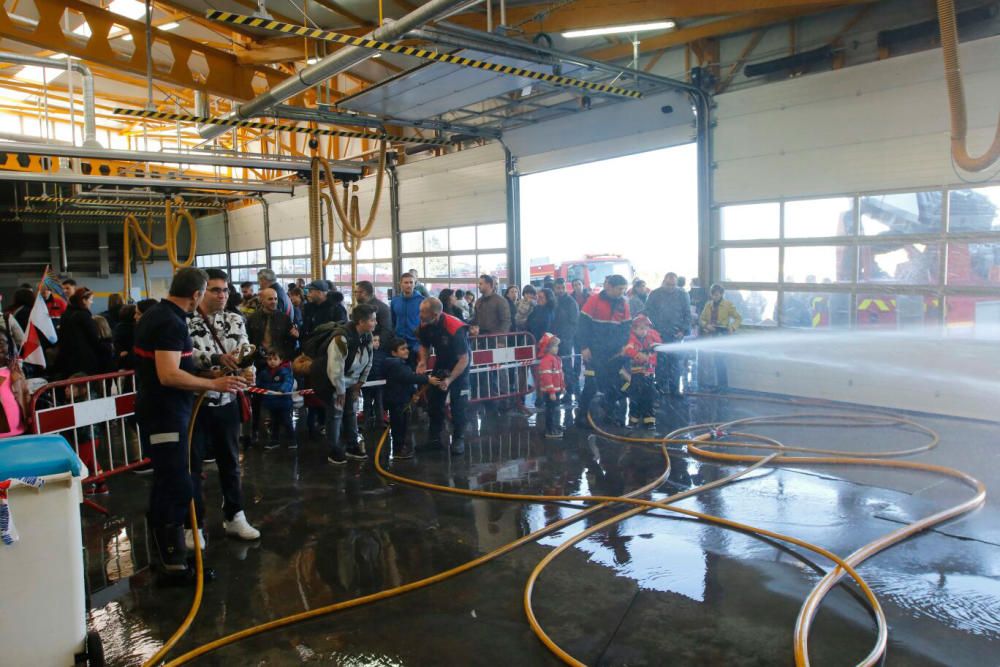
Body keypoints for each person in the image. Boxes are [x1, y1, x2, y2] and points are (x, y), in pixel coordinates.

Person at [134, 267, 247, 579]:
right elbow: (168, 374)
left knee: (168, 483)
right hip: (165, 413)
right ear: (197, 295)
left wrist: (209, 376)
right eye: (212, 290)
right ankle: (173, 564)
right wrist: (214, 385)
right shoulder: (171, 321)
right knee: (176, 484)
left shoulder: (158, 314)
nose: (220, 295)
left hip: (167, 410)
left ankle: (169, 558)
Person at [186, 268, 260, 543]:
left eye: (225, 290)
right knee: (192, 465)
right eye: (216, 290)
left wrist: (249, 371)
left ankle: (235, 514)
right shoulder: (185, 319)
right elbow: (185, 357)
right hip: (196, 401)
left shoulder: (235, 318)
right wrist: (217, 360)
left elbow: (245, 350)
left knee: (230, 461)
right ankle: (193, 524)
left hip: (227, 400)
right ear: (201, 291)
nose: (222, 295)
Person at [321, 304, 376, 464]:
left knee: (351, 412)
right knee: (336, 414)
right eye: (372, 320)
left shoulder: (367, 336)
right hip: (334, 382)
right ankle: (334, 449)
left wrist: (360, 383)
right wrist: (340, 390)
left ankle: (352, 445)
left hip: (352, 381)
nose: (375, 323)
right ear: (361, 321)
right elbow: (335, 368)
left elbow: (369, 360)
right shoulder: (340, 339)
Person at [416, 298, 471, 455]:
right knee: (434, 402)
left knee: (458, 405)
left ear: (434, 314)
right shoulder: (425, 324)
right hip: (442, 363)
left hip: (459, 366)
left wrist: (450, 379)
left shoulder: (455, 327)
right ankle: (434, 440)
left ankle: (458, 438)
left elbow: (464, 359)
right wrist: (422, 362)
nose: (420, 315)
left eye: (422, 312)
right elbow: (424, 346)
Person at [576, 275, 631, 428]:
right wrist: (584, 347)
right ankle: (582, 416)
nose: (622, 292)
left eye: (624, 289)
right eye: (620, 289)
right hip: (594, 352)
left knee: (613, 385)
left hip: (613, 353)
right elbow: (583, 325)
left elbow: (626, 327)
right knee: (590, 385)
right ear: (610, 287)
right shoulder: (594, 300)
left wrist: (623, 346)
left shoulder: (623, 304)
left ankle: (609, 415)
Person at [382, 337, 439, 459]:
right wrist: (427, 379)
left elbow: (406, 381)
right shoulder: (396, 365)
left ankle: (401, 447)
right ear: (393, 353)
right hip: (396, 401)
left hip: (402, 400)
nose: (407, 351)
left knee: (403, 426)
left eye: (406, 348)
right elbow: (408, 377)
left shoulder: (401, 364)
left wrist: (413, 393)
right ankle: (398, 450)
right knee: (398, 427)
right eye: (402, 349)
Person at [645, 272, 692, 396]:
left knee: (675, 362)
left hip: (676, 334)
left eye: (673, 285)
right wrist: (652, 331)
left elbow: (687, 314)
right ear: (663, 282)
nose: (670, 287)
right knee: (660, 362)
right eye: (668, 284)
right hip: (658, 334)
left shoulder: (683, 294)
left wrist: (683, 330)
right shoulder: (654, 294)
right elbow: (648, 312)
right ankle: (660, 387)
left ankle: (674, 389)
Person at [54, 288, 108, 378]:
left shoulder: (66, 314)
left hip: (67, 359)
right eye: (90, 299)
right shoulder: (84, 316)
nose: (92, 302)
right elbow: (94, 339)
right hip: (84, 361)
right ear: (84, 300)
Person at [622, 314, 662, 429]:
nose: (643, 331)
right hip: (636, 376)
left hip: (648, 375)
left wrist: (649, 358)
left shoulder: (651, 340)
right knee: (635, 398)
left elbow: (655, 354)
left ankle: (649, 421)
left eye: (645, 328)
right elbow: (628, 350)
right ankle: (633, 421)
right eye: (640, 328)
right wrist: (638, 355)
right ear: (634, 329)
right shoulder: (632, 340)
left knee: (648, 398)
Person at [699, 284, 742, 391]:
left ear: (722, 294)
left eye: (717, 295)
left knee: (720, 361)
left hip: (723, 335)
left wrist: (732, 328)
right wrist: (706, 325)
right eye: (713, 295)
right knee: (712, 361)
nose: (714, 297)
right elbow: (701, 319)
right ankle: (714, 385)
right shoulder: (708, 305)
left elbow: (738, 318)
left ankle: (723, 386)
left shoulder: (728, 305)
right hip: (711, 334)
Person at [257, 351, 297, 451]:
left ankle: (292, 440)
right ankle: (274, 441)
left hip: (284, 403)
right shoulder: (264, 373)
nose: (272, 362)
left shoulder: (284, 371)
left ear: (280, 360)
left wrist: (283, 390)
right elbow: (258, 384)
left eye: (275, 359)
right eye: (269, 359)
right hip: (271, 403)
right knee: (274, 423)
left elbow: (289, 381)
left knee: (287, 421)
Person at [247, 288, 298, 362]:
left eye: (275, 299)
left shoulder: (284, 318)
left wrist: (294, 336)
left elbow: (290, 343)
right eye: (270, 299)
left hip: (280, 360)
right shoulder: (252, 318)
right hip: (259, 360)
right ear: (261, 300)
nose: (274, 301)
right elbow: (249, 340)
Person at [552, 278, 580, 404]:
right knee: (554, 367)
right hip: (553, 339)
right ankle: (557, 392)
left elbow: (575, 322)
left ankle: (569, 393)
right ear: (554, 288)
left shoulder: (570, 302)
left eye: (562, 288)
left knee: (567, 368)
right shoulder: (553, 301)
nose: (561, 290)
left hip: (565, 339)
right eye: (558, 288)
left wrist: (567, 338)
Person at [390, 273, 425, 364]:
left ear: (415, 283)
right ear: (400, 284)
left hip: (415, 343)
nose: (408, 285)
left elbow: (426, 322)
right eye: (406, 282)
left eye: (411, 282)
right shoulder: (395, 300)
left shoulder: (422, 301)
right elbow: (393, 320)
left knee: (414, 371)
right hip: (399, 342)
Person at [535, 332, 565, 439]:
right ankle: (550, 429)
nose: (557, 348)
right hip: (550, 392)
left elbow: (560, 375)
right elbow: (547, 378)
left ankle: (554, 426)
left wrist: (562, 387)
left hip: (555, 391)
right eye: (555, 346)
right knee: (550, 411)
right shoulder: (547, 360)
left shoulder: (555, 359)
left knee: (553, 409)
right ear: (548, 347)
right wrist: (552, 392)